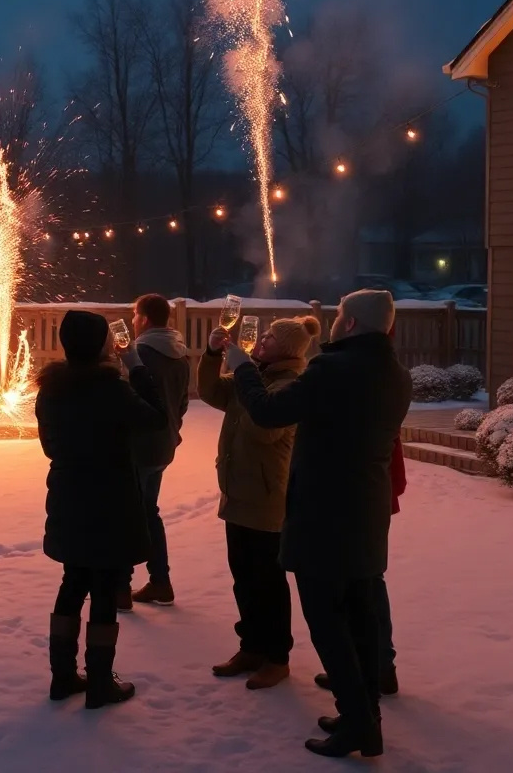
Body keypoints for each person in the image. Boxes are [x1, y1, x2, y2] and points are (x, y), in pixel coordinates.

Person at [222, 290, 411, 759]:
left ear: (348, 325)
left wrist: (243, 366)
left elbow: (267, 413)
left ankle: (357, 725)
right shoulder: (395, 374)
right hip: (366, 514)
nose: (333, 323)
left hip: (325, 517)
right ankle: (365, 719)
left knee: (329, 626)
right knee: (362, 620)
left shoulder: (334, 370)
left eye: (339, 316)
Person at [36, 310, 167, 709]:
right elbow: (157, 418)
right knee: (105, 590)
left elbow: (49, 447)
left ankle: (62, 677)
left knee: (73, 581)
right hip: (110, 500)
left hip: (68, 496)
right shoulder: (112, 389)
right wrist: (138, 368)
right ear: (101, 345)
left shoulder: (51, 390)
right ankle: (99, 683)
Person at [199, 316, 321, 691]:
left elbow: (263, 430)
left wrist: (245, 373)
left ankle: (277, 657)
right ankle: (250, 646)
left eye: (268, 337)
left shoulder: (288, 386)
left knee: (268, 582)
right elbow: (208, 392)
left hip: (268, 499)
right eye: (263, 334)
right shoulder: (256, 379)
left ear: (285, 349)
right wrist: (210, 353)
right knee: (243, 578)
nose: (261, 340)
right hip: (237, 492)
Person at [314, 319, 406, 699]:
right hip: (371, 490)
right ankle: (372, 667)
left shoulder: (366, 374)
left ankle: (374, 668)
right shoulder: (382, 370)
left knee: (362, 584)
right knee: (365, 582)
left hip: (362, 492)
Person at [118, 293, 190, 611]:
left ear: (144, 319)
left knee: (125, 514)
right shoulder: (179, 353)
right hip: (163, 446)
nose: (133, 320)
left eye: (135, 315)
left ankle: (120, 589)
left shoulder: (141, 354)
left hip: (138, 447)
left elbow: (127, 402)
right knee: (148, 512)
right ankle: (160, 581)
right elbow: (182, 402)